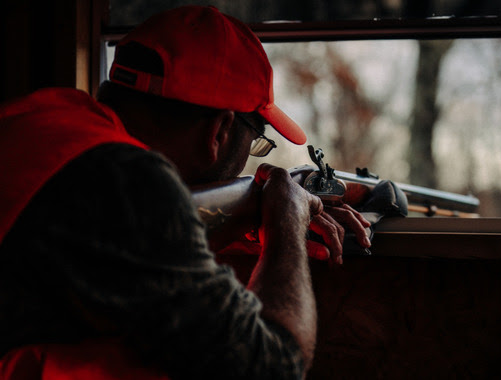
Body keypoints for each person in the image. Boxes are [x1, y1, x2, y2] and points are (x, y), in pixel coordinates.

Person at [0, 5, 370, 379]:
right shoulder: (129, 182)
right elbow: (274, 365)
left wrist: (250, 217)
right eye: (256, 142)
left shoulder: (40, 121)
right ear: (219, 133)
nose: (249, 160)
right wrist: (287, 216)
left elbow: (130, 255)